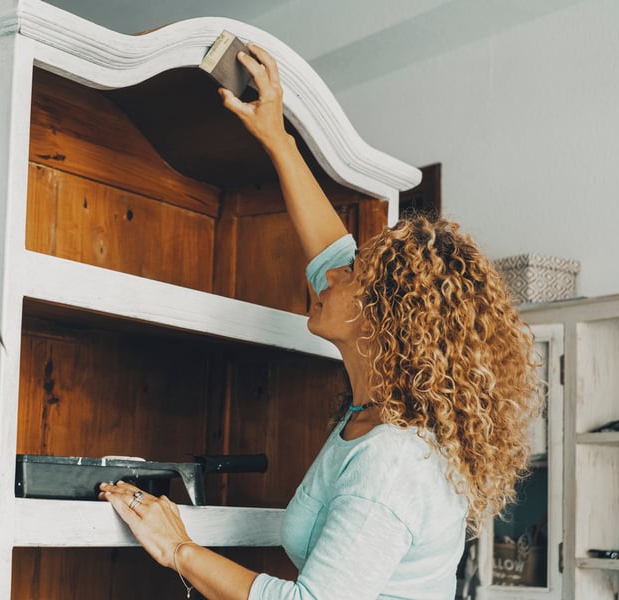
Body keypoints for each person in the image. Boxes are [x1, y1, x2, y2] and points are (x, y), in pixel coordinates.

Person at [99, 43, 539, 600]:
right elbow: (330, 250)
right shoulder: (375, 418)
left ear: (385, 320)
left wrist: (178, 549)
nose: (329, 277)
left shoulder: (392, 460)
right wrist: (276, 136)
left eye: (352, 274)